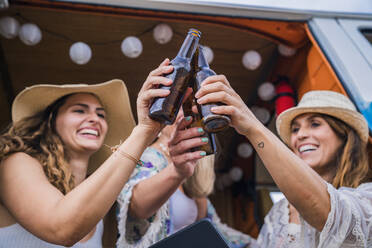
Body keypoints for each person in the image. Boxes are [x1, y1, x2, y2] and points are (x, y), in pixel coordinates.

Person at [0, 59, 173, 247]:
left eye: (101, 115)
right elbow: (61, 229)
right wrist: (144, 130)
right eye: (79, 110)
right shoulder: (16, 163)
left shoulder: (98, 207)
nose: (94, 119)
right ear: (51, 121)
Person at [190, 75, 371, 247]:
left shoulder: (366, 198)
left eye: (315, 124)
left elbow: (327, 211)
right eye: (295, 129)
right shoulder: (278, 212)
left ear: (344, 137)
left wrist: (252, 126)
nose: (300, 135)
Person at [116, 61, 252, 248]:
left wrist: (256, 244)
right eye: (178, 104)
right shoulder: (147, 156)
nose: (187, 113)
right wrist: (176, 172)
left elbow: (216, 229)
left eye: (194, 107)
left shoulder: (194, 169)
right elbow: (134, 207)